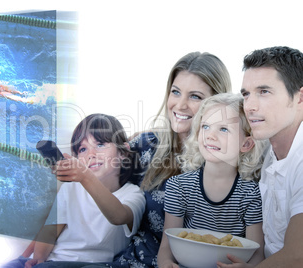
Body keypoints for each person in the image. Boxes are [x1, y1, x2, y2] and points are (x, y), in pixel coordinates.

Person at [100, 52, 232, 268]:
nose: (180, 105)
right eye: (176, 92)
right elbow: (101, 177)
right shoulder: (146, 145)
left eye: (195, 96)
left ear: (217, 104)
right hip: (129, 262)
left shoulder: (229, 163)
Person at [3, 113, 146, 268]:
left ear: (123, 152)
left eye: (100, 144)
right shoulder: (71, 187)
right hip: (52, 261)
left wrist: (85, 177)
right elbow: (50, 231)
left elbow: (118, 216)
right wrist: (38, 259)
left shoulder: (133, 194)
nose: (91, 154)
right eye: (83, 149)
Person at [157, 93, 266, 268]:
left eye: (223, 129)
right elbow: (166, 247)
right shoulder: (178, 186)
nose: (210, 135)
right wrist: (165, 263)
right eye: (205, 126)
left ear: (246, 144)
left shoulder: (251, 194)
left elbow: (258, 254)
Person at [221, 46, 303, 268]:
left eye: (264, 92)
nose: (250, 106)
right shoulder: (270, 146)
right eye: (246, 94)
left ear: (299, 97)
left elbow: (298, 255)